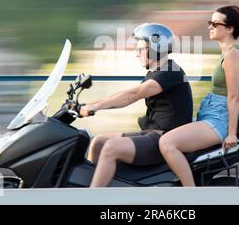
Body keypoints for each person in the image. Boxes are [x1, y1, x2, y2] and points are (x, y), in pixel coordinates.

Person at [79, 23, 193, 187]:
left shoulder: (171, 72)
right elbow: (124, 95)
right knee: (98, 141)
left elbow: (135, 94)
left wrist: (95, 107)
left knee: (110, 147)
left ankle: (93, 198)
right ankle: (95, 184)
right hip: (151, 133)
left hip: (164, 138)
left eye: (140, 49)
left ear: (155, 49)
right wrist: (88, 105)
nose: (137, 54)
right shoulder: (155, 73)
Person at [159, 5, 239, 187]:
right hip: (211, 115)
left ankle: (191, 195)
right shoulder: (227, 53)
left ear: (230, 28)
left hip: (218, 120)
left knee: (167, 143)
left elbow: (233, 97)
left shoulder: (232, 55)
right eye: (210, 22)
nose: (210, 27)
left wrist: (231, 133)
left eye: (215, 24)